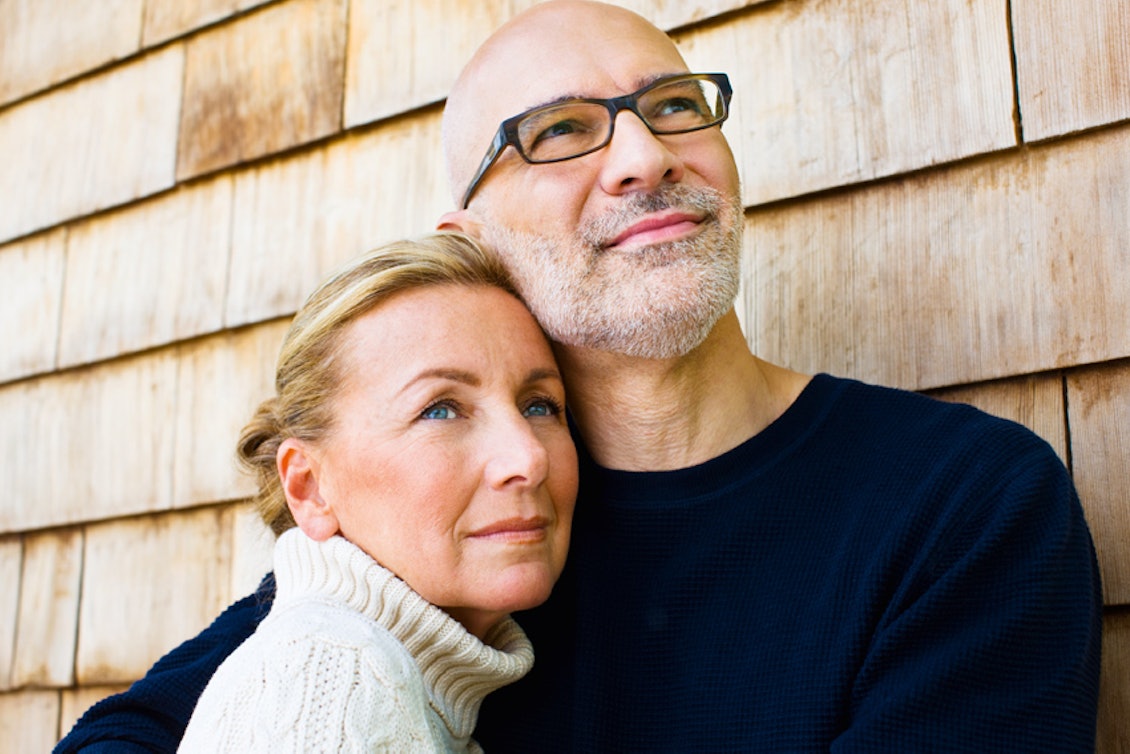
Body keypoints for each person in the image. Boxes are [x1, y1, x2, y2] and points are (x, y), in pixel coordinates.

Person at [57, 2, 1102, 752]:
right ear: (471, 240)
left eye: (676, 106)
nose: (643, 155)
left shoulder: (961, 503)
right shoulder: (463, 537)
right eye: (558, 130)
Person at [177, 233, 577, 751]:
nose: (528, 458)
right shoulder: (331, 678)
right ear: (310, 487)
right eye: (440, 409)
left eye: (539, 405)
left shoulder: (391, 682)